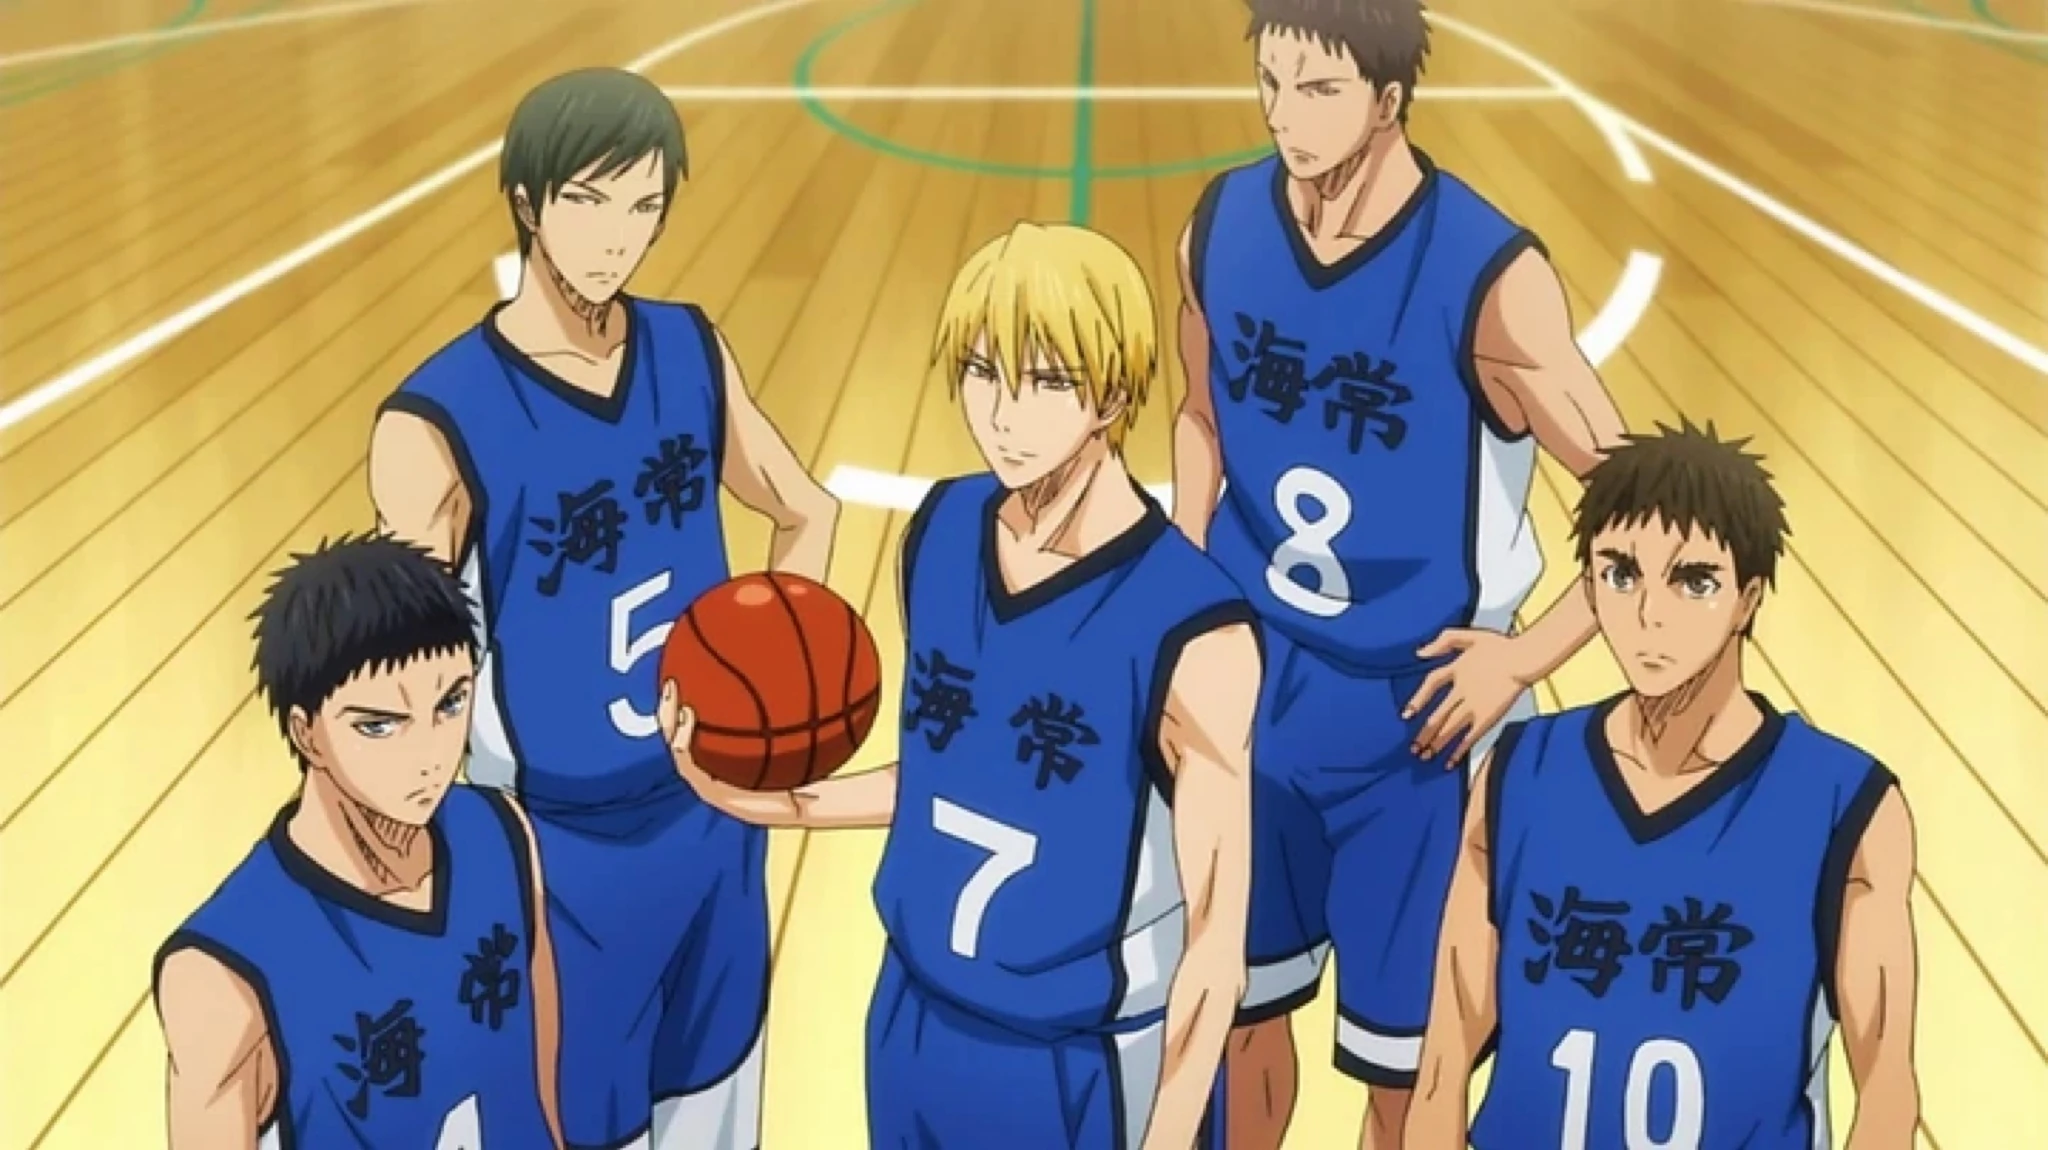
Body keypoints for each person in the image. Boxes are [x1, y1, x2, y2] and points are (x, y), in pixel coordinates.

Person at [661, 222, 1258, 1149]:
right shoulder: (940, 528)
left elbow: (1217, 947)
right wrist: (775, 802)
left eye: (1046, 381)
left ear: (1111, 392)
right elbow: (950, 776)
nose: (1004, 414)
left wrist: (1171, 1134)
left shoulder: (1196, 629)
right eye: (983, 371)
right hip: (913, 1015)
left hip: (1087, 1058)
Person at [1168, 1, 1631, 1143]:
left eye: (1318, 90)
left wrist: (1522, 658)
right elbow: (1198, 415)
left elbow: (1644, 510)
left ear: (1389, 99)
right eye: (1271, 84)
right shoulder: (1219, 223)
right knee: (1233, 1021)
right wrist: (1177, 587)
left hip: (1416, 729)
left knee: (1411, 1073)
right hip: (1252, 698)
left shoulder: (1488, 276)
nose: (1285, 117)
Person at [370, 68, 839, 1150]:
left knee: (717, 1108)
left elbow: (804, 509)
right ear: (527, 202)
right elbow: (401, 675)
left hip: (713, 820)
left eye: (643, 206)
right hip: (555, 854)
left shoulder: (688, 347)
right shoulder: (436, 421)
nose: (616, 236)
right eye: (587, 201)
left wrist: (776, 690)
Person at [1405, 420, 1921, 1149]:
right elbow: (1446, 1059)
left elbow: (1888, 1095)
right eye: (1621, 574)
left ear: (1747, 597)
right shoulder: (1520, 772)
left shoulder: (1847, 806)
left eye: (1693, 581)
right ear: (1589, 586)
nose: (1649, 614)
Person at [154, 533, 561, 1149]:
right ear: (307, 733)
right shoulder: (221, 971)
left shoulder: (500, 829)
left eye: (451, 703)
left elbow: (540, 1082)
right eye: (380, 725)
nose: (430, 754)